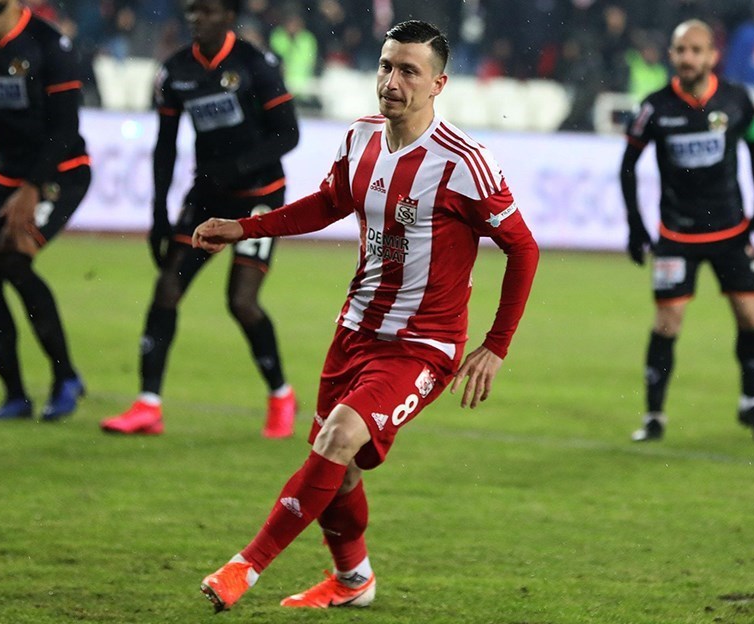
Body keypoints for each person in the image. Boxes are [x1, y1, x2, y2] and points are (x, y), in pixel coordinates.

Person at [191, 20, 538, 611]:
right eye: (385, 66)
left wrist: (496, 344)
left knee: (338, 438)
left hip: (423, 346)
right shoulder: (360, 138)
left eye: (409, 72)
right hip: (355, 330)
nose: (391, 82)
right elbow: (329, 203)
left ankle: (245, 567)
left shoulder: (464, 163)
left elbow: (523, 248)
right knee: (339, 468)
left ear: (438, 84)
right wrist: (244, 227)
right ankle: (353, 580)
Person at [99, 0, 300, 437]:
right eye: (192, 11)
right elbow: (165, 145)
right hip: (208, 199)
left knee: (241, 302)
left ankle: (281, 395)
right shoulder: (175, 71)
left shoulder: (255, 64)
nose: (197, 19)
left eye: (207, 11)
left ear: (228, 16)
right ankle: (148, 405)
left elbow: (288, 133)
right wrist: (158, 214)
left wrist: (240, 167)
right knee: (167, 289)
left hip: (259, 199)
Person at [620, 19, 754, 443]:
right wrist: (635, 225)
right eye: (681, 50)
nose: (687, 57)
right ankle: (654, 416)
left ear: (712, 56)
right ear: (672, 55)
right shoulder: (655, 107)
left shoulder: (736, 100)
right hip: (677, 235)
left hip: (731, 231)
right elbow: (628, 165)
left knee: (750, 316)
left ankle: (751, 403)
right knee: (667, 322)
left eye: (696, 50)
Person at [0, 0, 91, 421]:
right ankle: (15, 397)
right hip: (6, 174)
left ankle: (65, 378)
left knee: (12, 258)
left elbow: (66, 128)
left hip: (61, 172)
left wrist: (32, 187)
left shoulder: (49, 44)